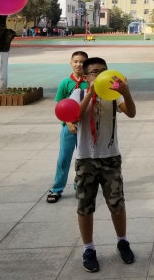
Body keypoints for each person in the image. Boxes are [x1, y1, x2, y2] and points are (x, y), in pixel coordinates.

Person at [73, 57, 137, 273]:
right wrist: (90, 93)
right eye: (95, 72)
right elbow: (75, 115)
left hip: (110, 157)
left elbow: (131, 112)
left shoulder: (113, 96)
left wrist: (126, 92)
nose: (100, 75)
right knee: (85, 205)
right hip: (86, 158)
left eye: (103, 71)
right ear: (85, 76)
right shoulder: (78, 94)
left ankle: (122, 241)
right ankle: (89, 248)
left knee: (117, 203)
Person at [46, 51, 88, 204]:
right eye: (75, 61)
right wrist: (69, 123)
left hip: (85, 128)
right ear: (71, 63)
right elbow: (60, 106)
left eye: (82, 62)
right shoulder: (65, 83)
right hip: (68, 127)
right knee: (64, 158)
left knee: (83, 158)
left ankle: (80, 185)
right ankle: (57, 188)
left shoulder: (90, 83)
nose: (79, 64)